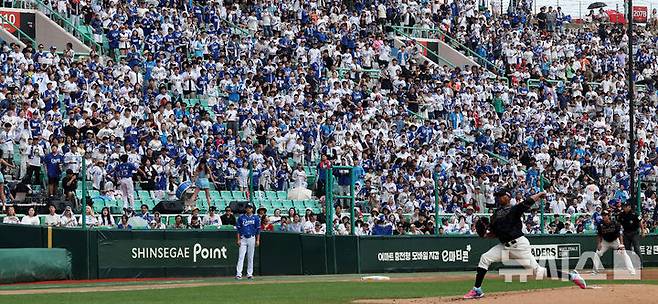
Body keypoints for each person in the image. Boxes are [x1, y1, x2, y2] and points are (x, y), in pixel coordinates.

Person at [464, 189, 586, 299]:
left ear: (508, 197)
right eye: (498, 196)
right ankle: (477, 290)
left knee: (538, 272)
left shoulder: (513, 209)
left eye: (501, 195)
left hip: (519, 246)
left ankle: (572, 276)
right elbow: (496, 233)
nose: (499, 198)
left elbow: (526, 203)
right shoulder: (495, 215)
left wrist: (539, 194)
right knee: (485, 258)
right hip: (505, 246)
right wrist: (486, 235)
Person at [592, 210, 636, 275]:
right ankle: (594, 271)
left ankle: (632, 271)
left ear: (608, 216)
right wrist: (599, 243)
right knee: (597, 253)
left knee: (624, 254)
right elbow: (599, 235)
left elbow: (620, 234)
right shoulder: (600, 224)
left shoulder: (615, 223)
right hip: (605, 242)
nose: (604, 217)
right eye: (603, 215)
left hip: (615, 241)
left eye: (605, 215)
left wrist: (621, 244)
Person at [235, 203, 260, 280]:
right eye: (247, 208)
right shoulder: (241, 218)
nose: (248, 209)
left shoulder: (256, 218)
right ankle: (239, 274)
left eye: (250, 208)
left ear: (252, 209)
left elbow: (258, 230)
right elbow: (238, 230)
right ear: (245, 209)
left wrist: (258, 240)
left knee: (250, 257)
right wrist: (238, 239)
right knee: (241, 256)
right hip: (243, 238)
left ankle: (249, 274)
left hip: (252, 238)